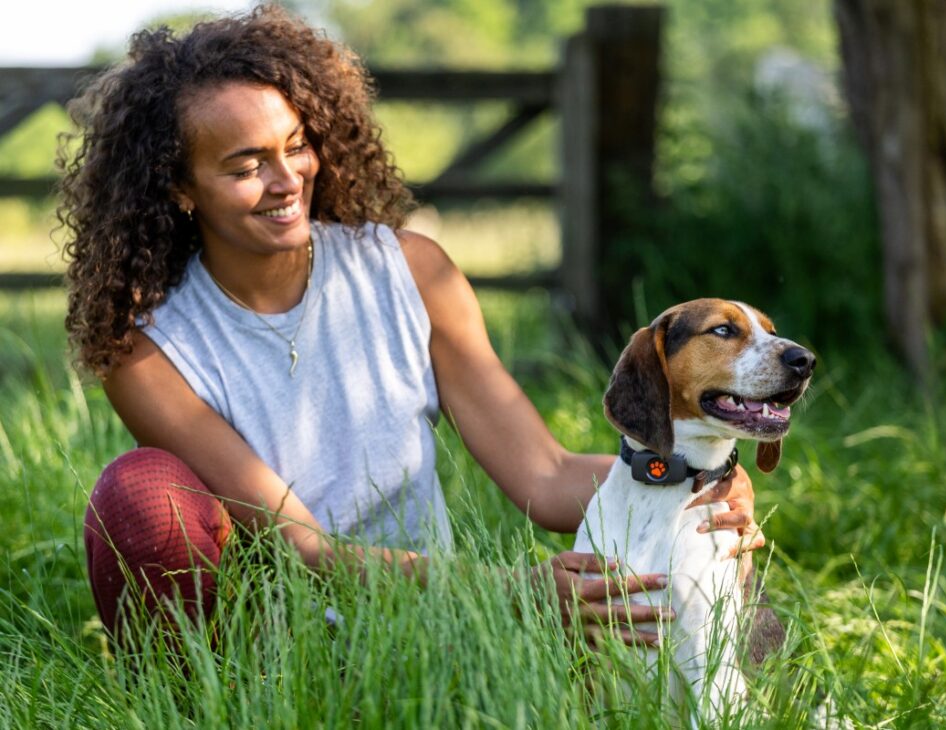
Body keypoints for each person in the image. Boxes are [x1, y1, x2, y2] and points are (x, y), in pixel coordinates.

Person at [60, 5, 763, 645]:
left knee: (735, 628)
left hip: (427, 627)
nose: (287, 179)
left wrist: (687, 478)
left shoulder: (412, 273)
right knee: (140, 495)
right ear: (179, 188)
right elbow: (302, 544)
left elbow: (546, 477)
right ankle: (194, 710)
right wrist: (512, 593)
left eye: (296, 145)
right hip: (269, 641)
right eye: (247, 165)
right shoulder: (147, 345)